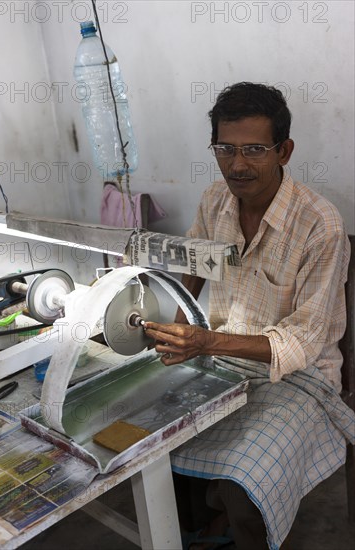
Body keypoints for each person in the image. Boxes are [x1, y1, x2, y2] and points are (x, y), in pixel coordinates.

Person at [145, 82, 355, 550]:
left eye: (255, 150)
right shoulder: (215, 200)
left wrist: (201, 342)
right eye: (225, 149)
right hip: (217, 362)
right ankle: (200, 527)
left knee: (247, 485)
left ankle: (237, 523)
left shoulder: (321, 225)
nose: (237, 165)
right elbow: (194, 270)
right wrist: (175, 322)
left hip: (297, 380)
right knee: (145, 439)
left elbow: (299, 345)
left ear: (284, 150)